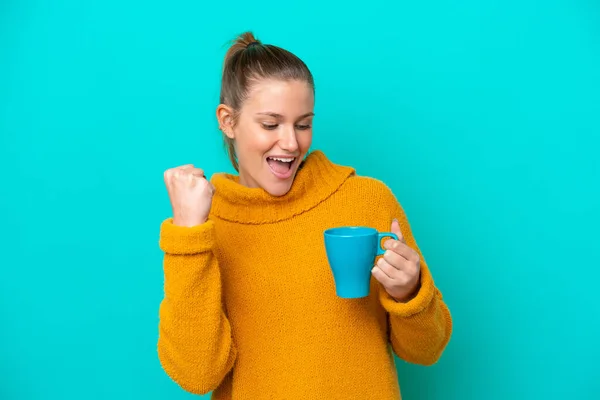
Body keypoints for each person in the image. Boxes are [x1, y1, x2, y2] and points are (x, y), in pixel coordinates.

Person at [157, 31, 452, 399]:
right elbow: (197, 374)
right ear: (228, 121)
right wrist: (187, 237)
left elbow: (426, 350)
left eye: (302, 124)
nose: (291, 143)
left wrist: (410, 292)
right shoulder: (204, 226)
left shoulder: (366, 200)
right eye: (270, 124)